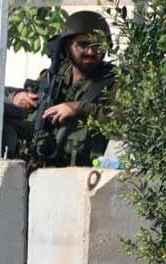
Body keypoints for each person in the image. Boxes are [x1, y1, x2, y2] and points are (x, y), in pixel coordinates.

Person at [9, 11, 117, 167]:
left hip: (85, 173)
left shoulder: (115, 80)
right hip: (38, 166)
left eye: (97, 45)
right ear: (68, 45)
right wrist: (17, 97)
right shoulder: (52, 76)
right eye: (83, 45)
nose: (91, 52)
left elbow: (126, 121)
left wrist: (79, 108)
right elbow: (22, 101)